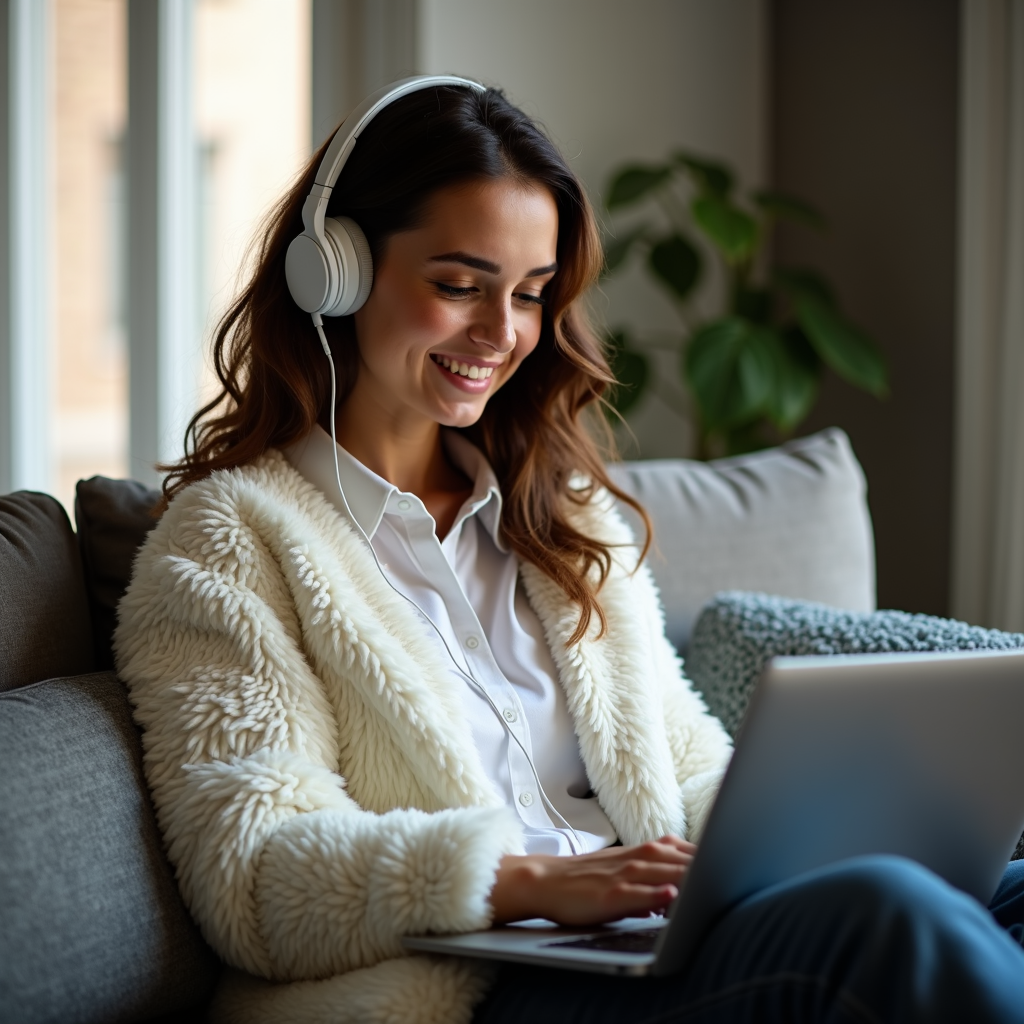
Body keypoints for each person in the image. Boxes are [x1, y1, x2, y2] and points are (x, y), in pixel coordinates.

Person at [115, 80, 1024, 1024]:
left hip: (647, 939)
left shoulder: (562, 513)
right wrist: (530, 885)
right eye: (458, 285)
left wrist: (803, 845)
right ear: (333, 272)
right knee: (892, 922)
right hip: (480, 985)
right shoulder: (229, 544)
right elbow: (254, 872)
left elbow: (682, 763)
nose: (501, 334)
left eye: (532, 295)